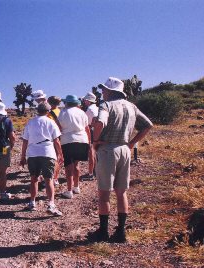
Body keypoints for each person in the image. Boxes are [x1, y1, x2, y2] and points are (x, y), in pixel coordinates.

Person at [88, 77, 153, 243]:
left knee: (104, 193)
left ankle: (103, 232)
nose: (102, 92)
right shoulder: (132, 106)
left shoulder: (106, 105)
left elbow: (101, 122)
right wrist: (131, 143)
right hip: (125, 150)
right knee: (121, 192)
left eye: (104, 89)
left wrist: (95, 142)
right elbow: (148, 125)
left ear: (111, 91)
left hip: (108, 149)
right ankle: (121, 232)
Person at [20, 102, 64, 216]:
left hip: (32, 152)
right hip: (47, 152)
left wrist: (22, 156)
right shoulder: (51, 122)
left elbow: (25, 140)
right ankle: (51, 204)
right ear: (48, 111)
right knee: (48, 179)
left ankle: (32, 202)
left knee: (34, 178)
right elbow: (56, 141)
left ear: (37, 110)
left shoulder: (30, 122)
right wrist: (60, 154)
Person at [58, 95, 90, 199]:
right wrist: (89, 142)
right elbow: (87, 128)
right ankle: (76, 187)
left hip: (68, 140)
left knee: (68, 166)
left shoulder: (63, 112)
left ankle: (69, 190)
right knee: (76, 164)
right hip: (82, 139)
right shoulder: (82, 113)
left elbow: (59, 127)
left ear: (66, 103)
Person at [81, 92, 99, 181]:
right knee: (96, 152)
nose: (84, 101)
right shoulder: (97, 108)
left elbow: (86, 124)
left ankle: (91, 173)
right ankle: (96, 171)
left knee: (91, 152)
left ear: (88, 101)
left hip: (92, 131)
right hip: (99, 131)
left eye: (85, 100)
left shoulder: (89, 110)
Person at [47, 96, 63, 186]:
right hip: (60, 136)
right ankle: (56, 177)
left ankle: (52, 178)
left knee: (52, 158)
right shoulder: (60, 111)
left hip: (52, 138)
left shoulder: (49, 114)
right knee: (58, 157)